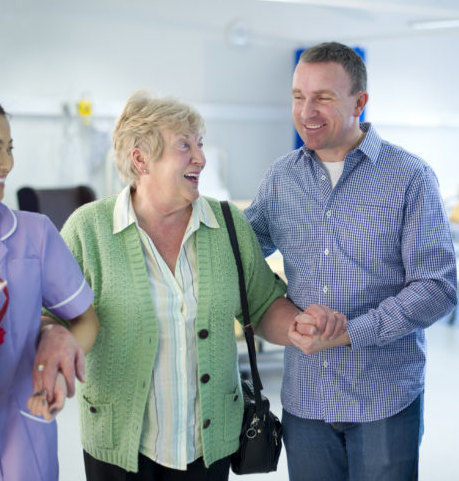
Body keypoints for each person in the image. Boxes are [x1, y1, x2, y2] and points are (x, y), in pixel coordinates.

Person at [60, 90, 345, 480]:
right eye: (184, 145)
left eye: (200, 143)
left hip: (207, 446)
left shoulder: (228, 224)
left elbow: (262, 305)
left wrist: (298, 327)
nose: (200, 157)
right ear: (140, 159)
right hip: (119, 446)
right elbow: (53, 317)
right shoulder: (88, 230)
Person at [245, 41, 457, 480]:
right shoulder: (281, 177)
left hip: (383, 398)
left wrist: (351, 334)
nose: (307, 111)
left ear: (360, 102)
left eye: (323, 97)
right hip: (306, 399)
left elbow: (437, 288)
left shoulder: (409, 176)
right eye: (298, 97)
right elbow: (240, 254)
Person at [0, 91, 99, 481]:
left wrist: (63, 354)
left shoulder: (34, 234)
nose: (8, 163)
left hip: (23, 440)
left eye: (9, 148)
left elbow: (87, 321)